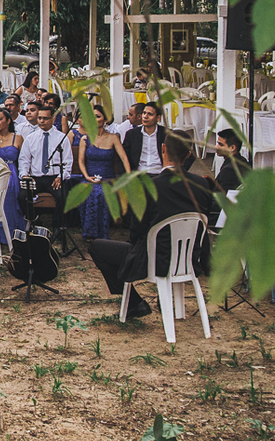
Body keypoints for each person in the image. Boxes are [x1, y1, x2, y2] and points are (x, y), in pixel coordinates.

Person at [87, 132, 213, 318]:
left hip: (155, 260)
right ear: (188, 154)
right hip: (188, 260)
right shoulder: (202, 184)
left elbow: (137, 230)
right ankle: (151, 301)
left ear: (163, 149)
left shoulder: (149, 186)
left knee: (97, 247)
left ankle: (134, 303)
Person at [78, 105, 131, 240]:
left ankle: (101, 232)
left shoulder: (113, 138)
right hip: (89, 177)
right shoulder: (85, 139)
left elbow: (124, 158)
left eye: (98, 116)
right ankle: (89, 232)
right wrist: (87, 177)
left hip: (107, 178)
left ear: (105, 120)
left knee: (101, 192)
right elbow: (81, 161)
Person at [18, 107, 74, 229]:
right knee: (22, 197)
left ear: (53, 119)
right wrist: (24, 175)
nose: (42, 121)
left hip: (54, 177)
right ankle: (35, 222)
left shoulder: (62, 138)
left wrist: (61, 176)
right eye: (39, 118)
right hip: (35, 178)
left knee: (62, 196)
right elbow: (24, 160)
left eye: (45, 118)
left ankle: (57, 226)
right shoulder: (31, 138)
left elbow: (67, 161)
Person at [0, 107, 25, 237]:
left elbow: (23, 159)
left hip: (10, 171)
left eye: (0, 119)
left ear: (8, 121)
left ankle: (9, 230)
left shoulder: (17, 138)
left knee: (9, 189)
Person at [123, 102, 166, 175]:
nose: (145, 116)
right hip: (139, 174)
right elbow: (125, 157)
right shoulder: (132, 134)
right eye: (144, 113)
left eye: (150, 114)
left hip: (160, 174)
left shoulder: (166, 134)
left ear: (158, 118)